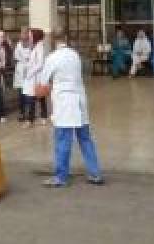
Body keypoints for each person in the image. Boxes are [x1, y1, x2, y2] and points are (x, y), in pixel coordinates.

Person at [39, 29, 104, 188]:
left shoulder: (52, 58)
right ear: (66, 38)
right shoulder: (75, 55)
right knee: (85, 138)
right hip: (79, 100)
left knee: (63, 139)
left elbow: (43, 82)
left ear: (53, 40)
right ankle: (95, 173)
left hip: (65, 102)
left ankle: (61, 177)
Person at [22, 28, 49, 128]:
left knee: (35, 97)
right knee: (37, 97)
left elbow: (40, 63)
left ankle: (31, 120)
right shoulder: (34, 46)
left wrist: (29, 73)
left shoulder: (40, 47)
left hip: (35, 76)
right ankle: (41, 117)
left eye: (30, 35)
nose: (29, 37)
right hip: (33, 76)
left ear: (35, 36)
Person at [13, 27, 31, 120]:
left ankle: (29, 113)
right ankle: (22, 113)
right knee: (21, 94)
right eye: (22, 33)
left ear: (28, 34)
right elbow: (16, 56)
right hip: (20, 71)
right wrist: (23, 60)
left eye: (25, 33)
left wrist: (28, 61)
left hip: (29, 70)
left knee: (29, 94)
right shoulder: (19, 44)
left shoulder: (32, 44)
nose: (23, 35)